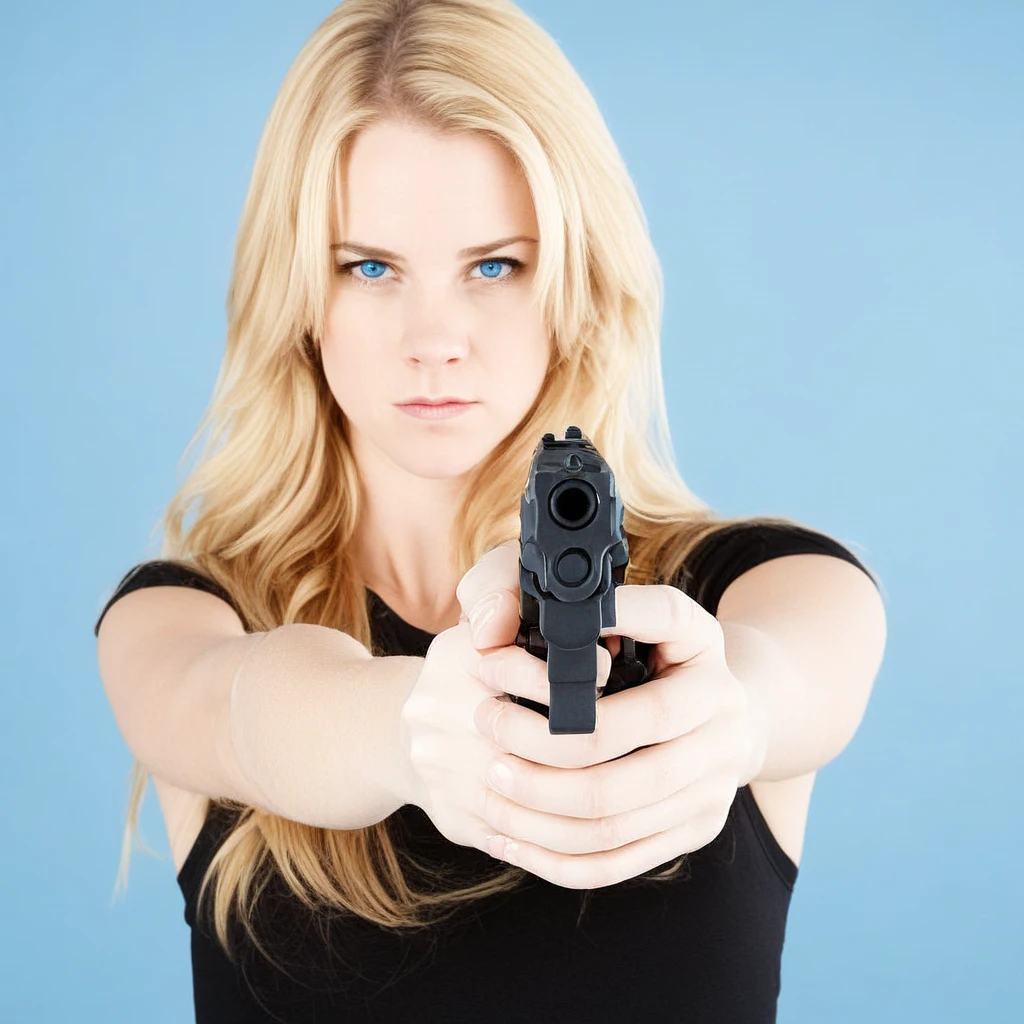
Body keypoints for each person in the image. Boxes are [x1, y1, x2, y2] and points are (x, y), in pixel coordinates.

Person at [93, 1, 888, 1020]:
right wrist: (414, 730)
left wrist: (724, 716)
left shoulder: (777, 587)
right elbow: (241, 707)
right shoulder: (177, 621)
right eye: (368, 266)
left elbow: (791, 674)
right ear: (297, 290)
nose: (435, 338)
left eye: (494, 265)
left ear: (576, 277)